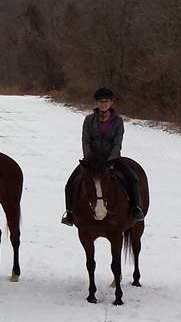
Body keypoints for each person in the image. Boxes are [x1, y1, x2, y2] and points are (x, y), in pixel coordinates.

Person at [61, 88, 144, 225]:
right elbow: (85, 140)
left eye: (106, 101)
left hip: (112, 159)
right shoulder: (88, 120)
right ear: (96, 103)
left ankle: (136, 209)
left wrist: (111, 160)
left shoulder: (118, 121)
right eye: (101, 101)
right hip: (92, 160)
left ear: (111, 103)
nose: (103, 104)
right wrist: (89, 159)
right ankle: (70, 214)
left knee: (133, 178)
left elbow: (117, 143)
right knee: (70, 183)